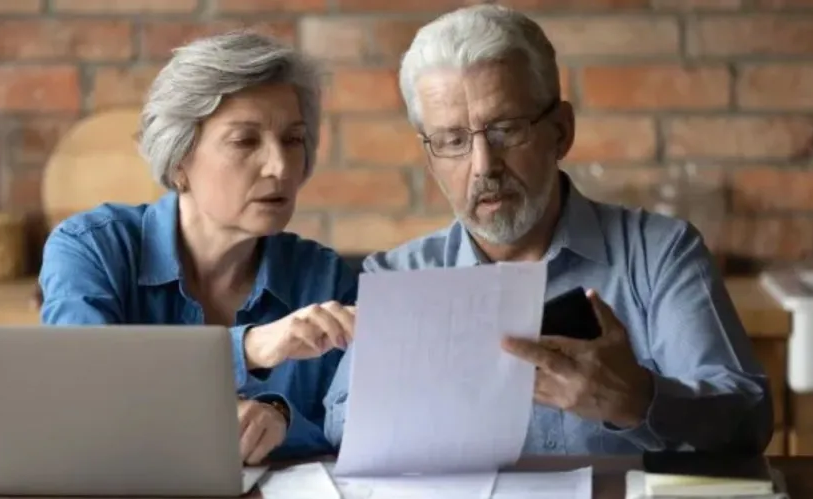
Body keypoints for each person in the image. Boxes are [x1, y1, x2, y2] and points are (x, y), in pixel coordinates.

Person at [323, 4, 772, 455]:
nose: (484, 166)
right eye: (453, 141)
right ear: (430, 159)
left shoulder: (660, 254)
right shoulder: (399, 279)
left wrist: (638, 400)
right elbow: (339, 424)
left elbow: (750, 420)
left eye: (505, 130)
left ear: (561, 131)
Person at [39, 32, 357, 464]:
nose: (280, 166)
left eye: (293, 139)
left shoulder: (325, 278)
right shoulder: (91, 248)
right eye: (245, 141)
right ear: (178, 161)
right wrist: (247, 349)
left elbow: (352, 428)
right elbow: (83, 384)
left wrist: (280, 420)